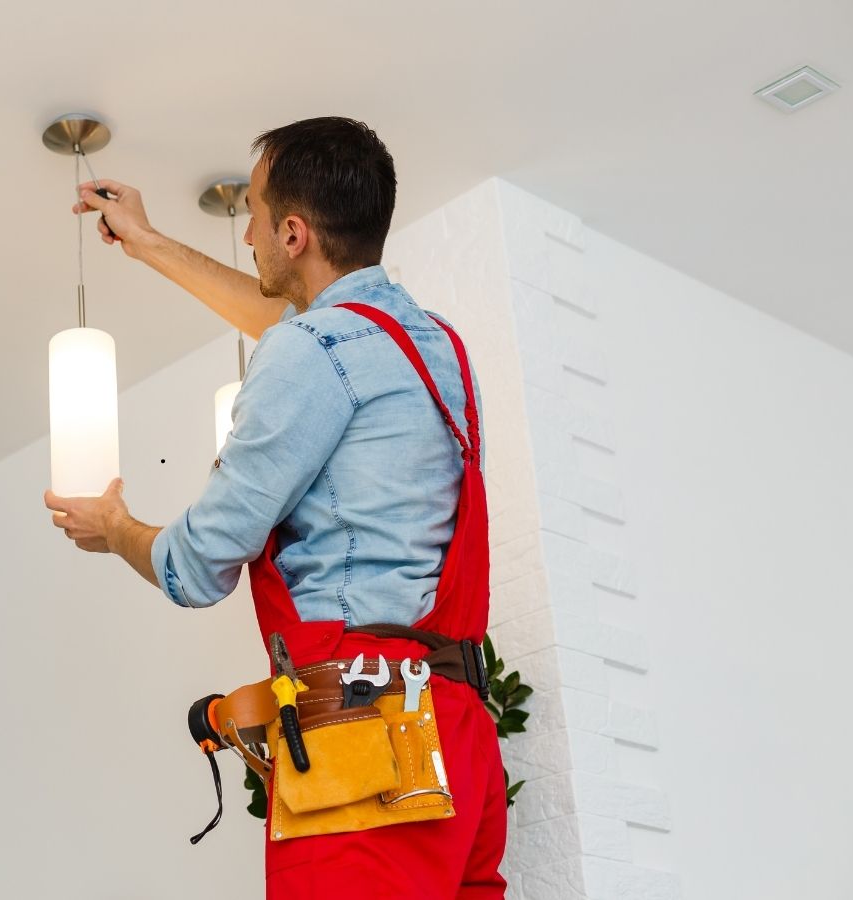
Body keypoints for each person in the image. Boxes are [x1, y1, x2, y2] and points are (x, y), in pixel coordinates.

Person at [43, 117, 506, 899]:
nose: (246, 231)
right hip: (458, 739)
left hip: (364, 739)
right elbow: (307, 335)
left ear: (293, 233)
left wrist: (117, 529)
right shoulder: (433, 346)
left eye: (254, 213)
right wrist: (149, 241)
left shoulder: (312, 354)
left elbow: (196, 568)